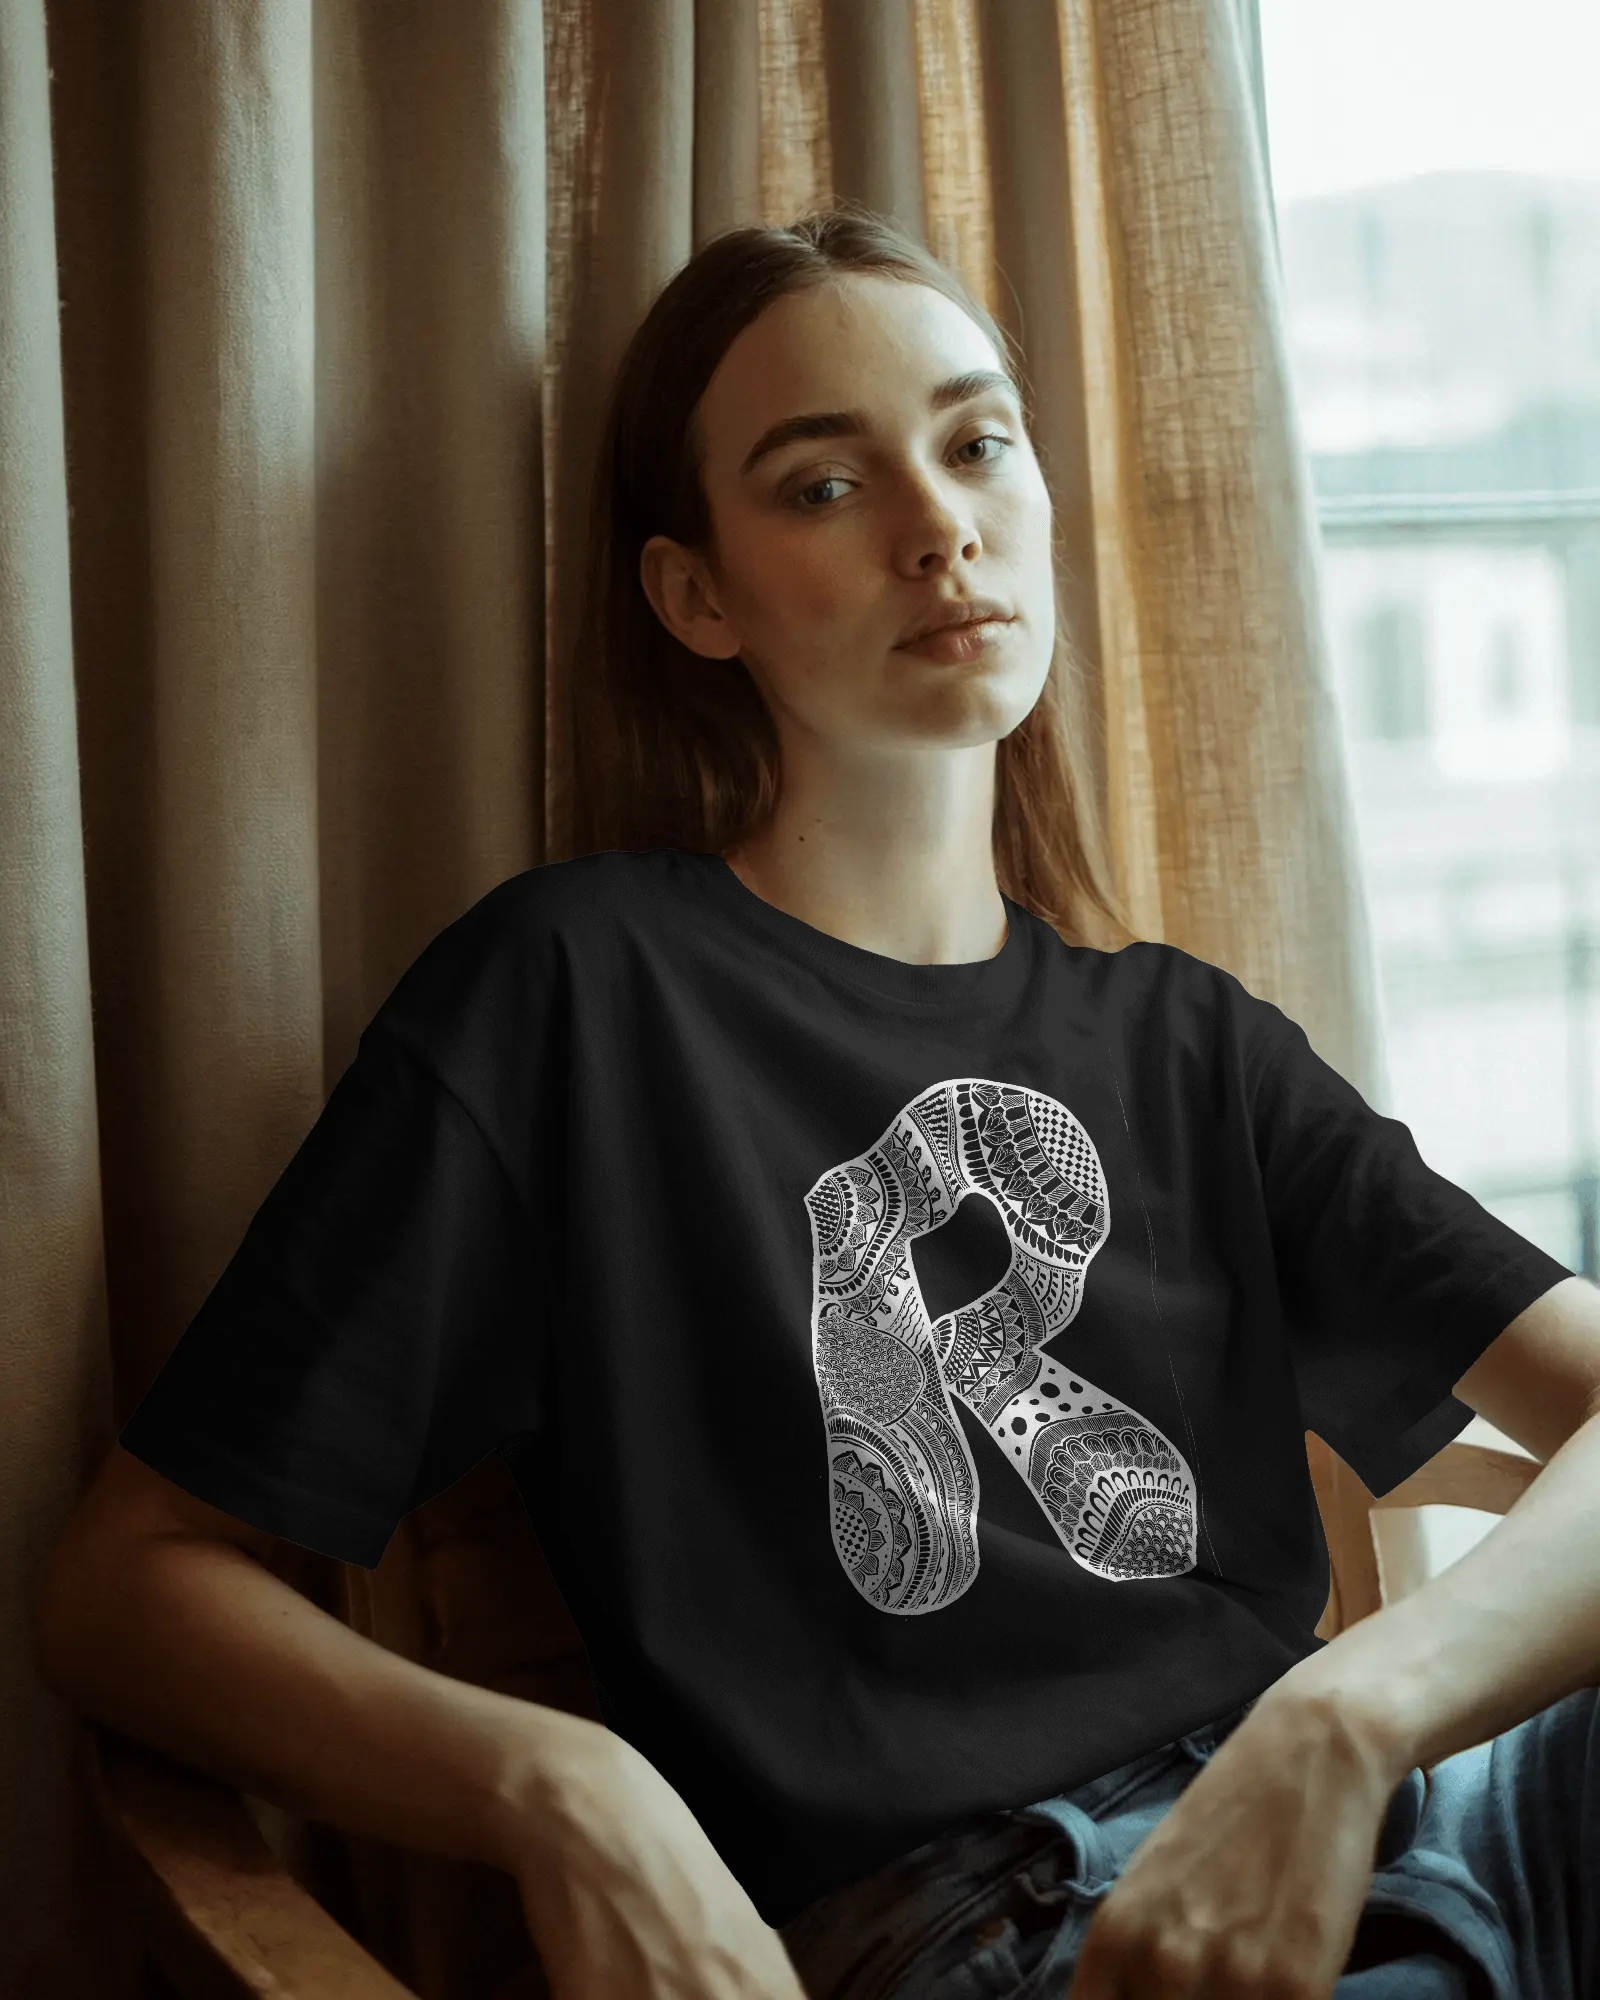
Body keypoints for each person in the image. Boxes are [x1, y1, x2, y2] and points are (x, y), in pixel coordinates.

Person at [32, 203, 1598, 2000]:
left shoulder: (1193, 1044)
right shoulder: (580, 995)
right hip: (1002, 1932)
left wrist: (1343, 1723)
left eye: (975, 443)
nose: (941, 527)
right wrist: (567, 1788)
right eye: (821, 485)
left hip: (1377, 1835)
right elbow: (127, 1591)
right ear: (696, 596)